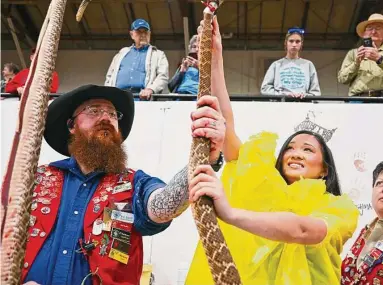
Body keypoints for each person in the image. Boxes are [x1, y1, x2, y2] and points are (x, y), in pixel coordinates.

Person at [186, 18, 359, 285]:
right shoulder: (261, 182)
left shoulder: (340, 208)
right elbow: (227, 121)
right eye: (289, 148)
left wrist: (231, 214)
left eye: (308, 149)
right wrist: (215, 57)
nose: (296, 153)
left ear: (325, 168)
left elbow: (303, 230)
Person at [21, 84, 226, 285]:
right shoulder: (36, 178)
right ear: (71, 126)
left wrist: (203, 156)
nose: (106, 118)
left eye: (113, 114)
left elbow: (163, 206)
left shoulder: (133, 183)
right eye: (94, 111)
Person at [338, 14, 383, 97]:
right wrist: (356, 63)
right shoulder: (353, 53)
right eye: (370, 29)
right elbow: (342, 79)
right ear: (364, 33)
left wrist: (379, 59)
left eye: (378, 28)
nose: (373, 32)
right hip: (358, 100)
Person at [105, 19, 169, 101]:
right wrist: (108, 93)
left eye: (145, 32)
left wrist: (151, 89)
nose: (143, 35)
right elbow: (109, 76)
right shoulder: (121, 53)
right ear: (132, 34)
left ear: (150, 34)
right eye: (139, 32)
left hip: (141, 99)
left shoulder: (158, 55)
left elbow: (163, 76)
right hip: (117, 98)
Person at [260, 26, 321, 98]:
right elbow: (265, 89)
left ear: (301, 44)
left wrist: (305, 96)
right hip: (281, 105)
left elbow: (316, 92)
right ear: (286, 43)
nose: (294, 44)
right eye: (291, 41)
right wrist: (283, 95)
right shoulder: (276, 65)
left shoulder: (308, 65)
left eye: (297, 41)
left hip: (303, 105)